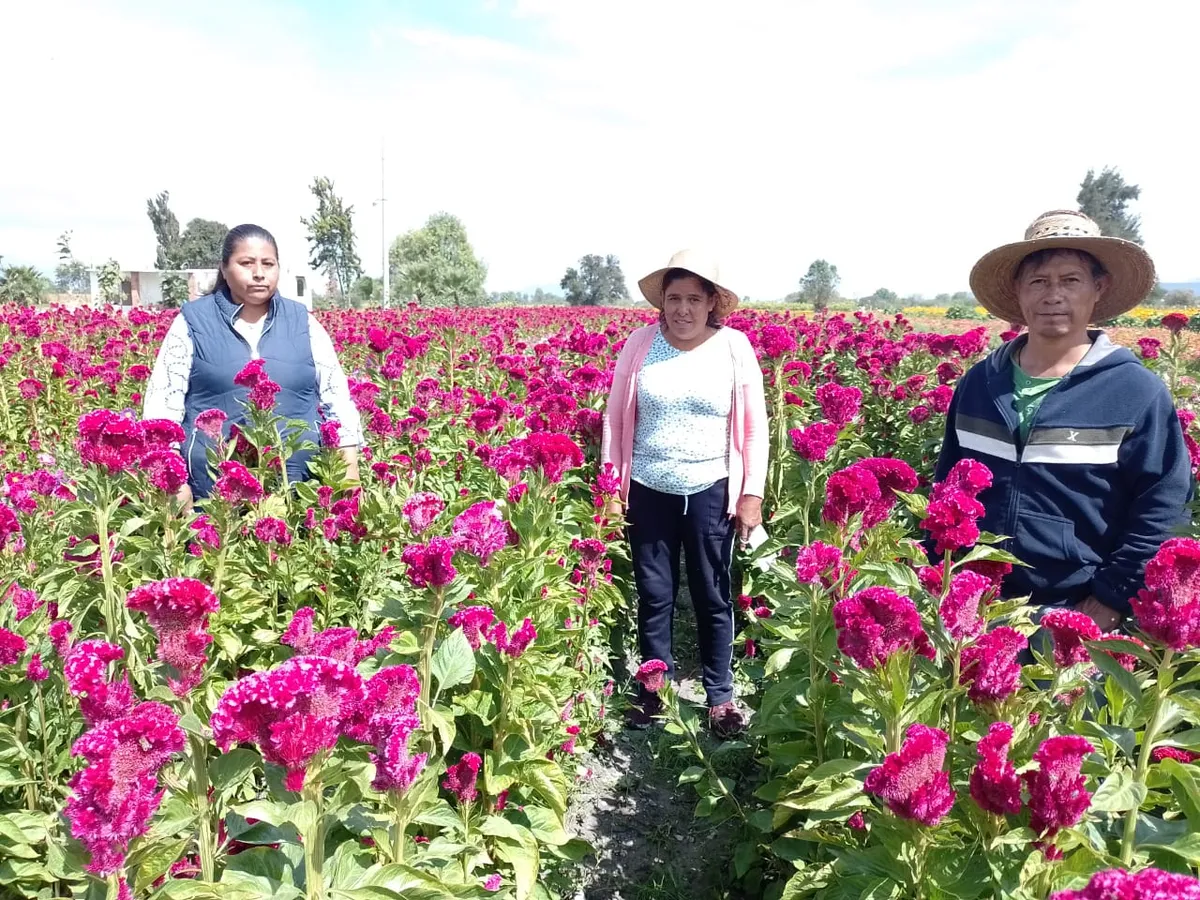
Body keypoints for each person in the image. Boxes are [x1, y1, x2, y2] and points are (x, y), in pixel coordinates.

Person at [934, 209, 1192, 632]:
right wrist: (937, 576)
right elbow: (947, 484)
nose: (1053, 295)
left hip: (1074, 607)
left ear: (1098, 288)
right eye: (1038, 281)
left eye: (1070, 280)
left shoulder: (1135, 391)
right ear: (1018, 291)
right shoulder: (979, 383)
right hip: (974, 605)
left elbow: (1162, 505)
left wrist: (1111, 597)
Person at [601, 249, 768, 737]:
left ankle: (720, 697)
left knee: (712, 594)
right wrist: (611, 489)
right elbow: (615, 421)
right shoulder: (639, 344)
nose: (683, 309)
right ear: (662, 302)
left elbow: (754, 428)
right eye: (674, 298)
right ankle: (655, 692)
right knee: (655, 595)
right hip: (647, 489)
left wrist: (751, 494)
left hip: (711, 489)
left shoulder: (734, 347)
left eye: (694, 299)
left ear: (712, 302)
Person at [143, 223, 362, 503]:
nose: (259, 273)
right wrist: (172, 481)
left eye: (268, 264)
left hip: (300, 492)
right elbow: (162, 404)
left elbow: (337, 398)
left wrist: (349, 469)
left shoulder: (303, 322)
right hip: (214, 495)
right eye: (246, 263)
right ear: (224, 268)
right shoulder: (192, 322)